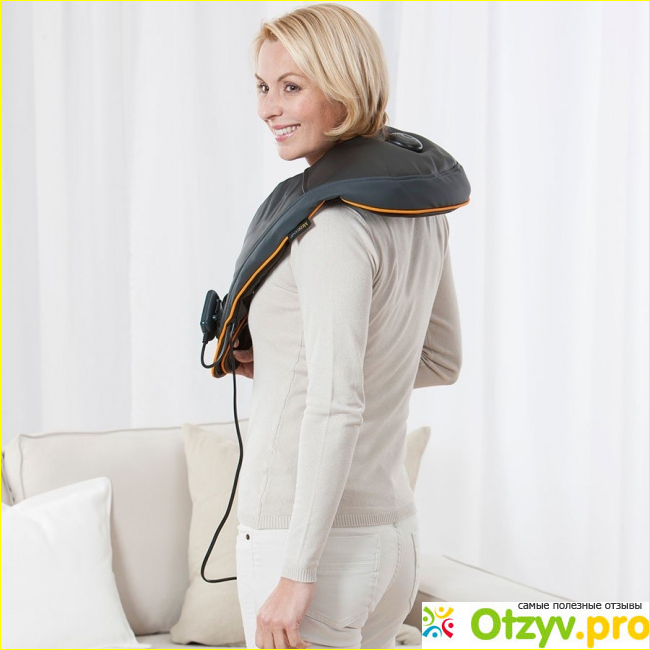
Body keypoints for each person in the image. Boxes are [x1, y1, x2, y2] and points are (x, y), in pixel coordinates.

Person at [231, 4, 462, 649]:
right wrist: (285, 362)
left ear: (345, 87)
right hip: (392, 537)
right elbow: (440, 361)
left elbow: (336, 404)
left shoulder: (331, 224)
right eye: (262, 86)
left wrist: (297, 573)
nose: (268, 108)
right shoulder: (422, 213)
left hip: (308, 546)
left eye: (291, 86)